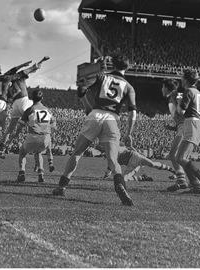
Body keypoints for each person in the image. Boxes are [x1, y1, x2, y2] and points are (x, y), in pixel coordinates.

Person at [52, 54, 137, 206]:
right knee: (113, 159)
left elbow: (82, 88)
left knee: (77, 153)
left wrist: (86, 102)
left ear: (114, 65)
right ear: (128, 67)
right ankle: (119, 185)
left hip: (95, 114)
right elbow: (133, 112)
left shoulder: (102, 77)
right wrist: (129, 132)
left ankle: (62, 186)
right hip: (112, 119)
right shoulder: (129, 87)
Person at [0, 56, 49, 159]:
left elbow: (7, 98)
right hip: (24, 101)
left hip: (15, 105)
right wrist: (42, 60)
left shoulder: (6, 82)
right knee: (37, 124)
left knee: (10, 129)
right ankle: (38, 151)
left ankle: (1, 149)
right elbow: (34, 67)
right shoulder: (20, 76)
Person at [173, 69, 200, 196]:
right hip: (195, 124)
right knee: (183, 158)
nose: (181, 80)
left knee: (180, 158)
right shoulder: (196, 91)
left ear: (186, 79)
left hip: (192, 124)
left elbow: (181, 111)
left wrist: (177, 101)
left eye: (182, 78)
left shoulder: (188, 91)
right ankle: (196, 187)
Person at [16, 89, 56, 183]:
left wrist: (16, 134)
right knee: (38, 153)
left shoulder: (29, 110)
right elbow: (53, 123)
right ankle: (41, 174)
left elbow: (20, 125)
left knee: (22, 153)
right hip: (45, 138)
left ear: (31, 98)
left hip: (33, 136)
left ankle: (22, 173)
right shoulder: (47, 110)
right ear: (42, 98)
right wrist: (50, 133)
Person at [102, 146, 175, 182]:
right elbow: (110, 167)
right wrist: (106, 175)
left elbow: (126, 148)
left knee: (152, 164)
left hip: (135, 156)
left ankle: (172, 170)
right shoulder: (111, 157)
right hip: (132, 165)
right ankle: (142, 178)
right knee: (124, 179)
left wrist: (106, 175)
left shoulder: (115, 149)